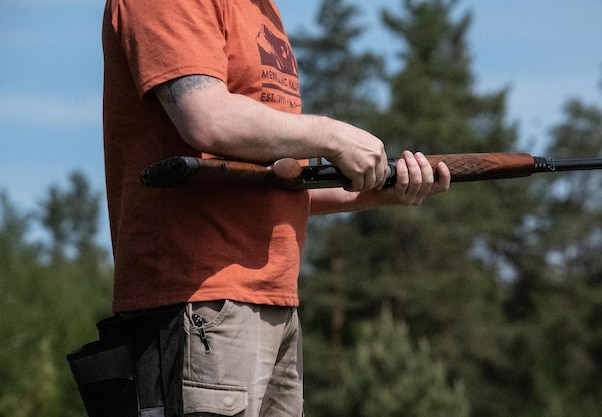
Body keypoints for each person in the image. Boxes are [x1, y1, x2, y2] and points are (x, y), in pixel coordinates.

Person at [99, 0, 451, 416]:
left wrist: (380, 192)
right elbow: (206, 118)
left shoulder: (262, 10)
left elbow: (278, 184)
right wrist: (331, 135)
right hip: (200, 302)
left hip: (273, 306)